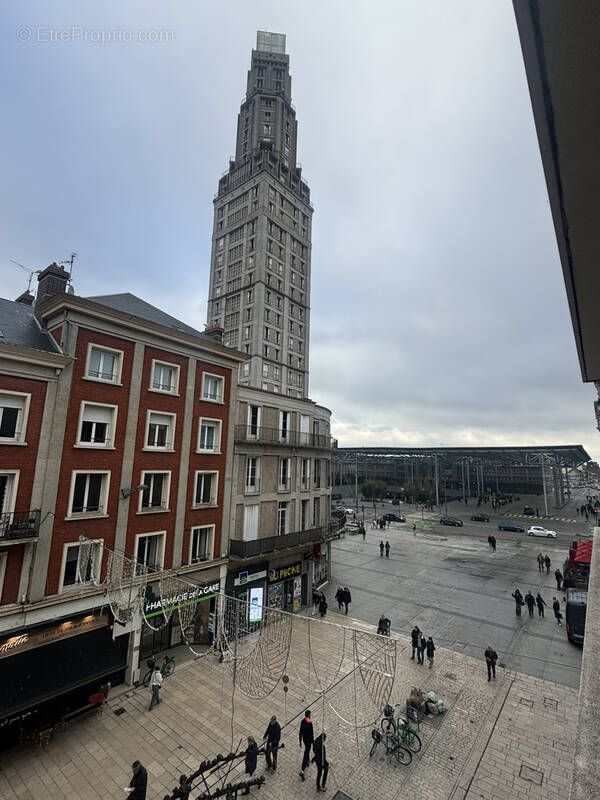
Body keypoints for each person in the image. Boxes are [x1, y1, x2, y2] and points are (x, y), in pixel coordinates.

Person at [299, 709, 314, 781]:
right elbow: (311, 734)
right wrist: (313, 743)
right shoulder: (310, 724)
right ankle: (302, 770)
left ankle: (308, 760)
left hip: (304, 740)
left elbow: (300, 732)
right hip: (308, 742)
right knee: (306, 753)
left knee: (307, 752)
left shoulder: (302, 721)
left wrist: (300, 741)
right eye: (310, 714)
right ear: (309, 715)